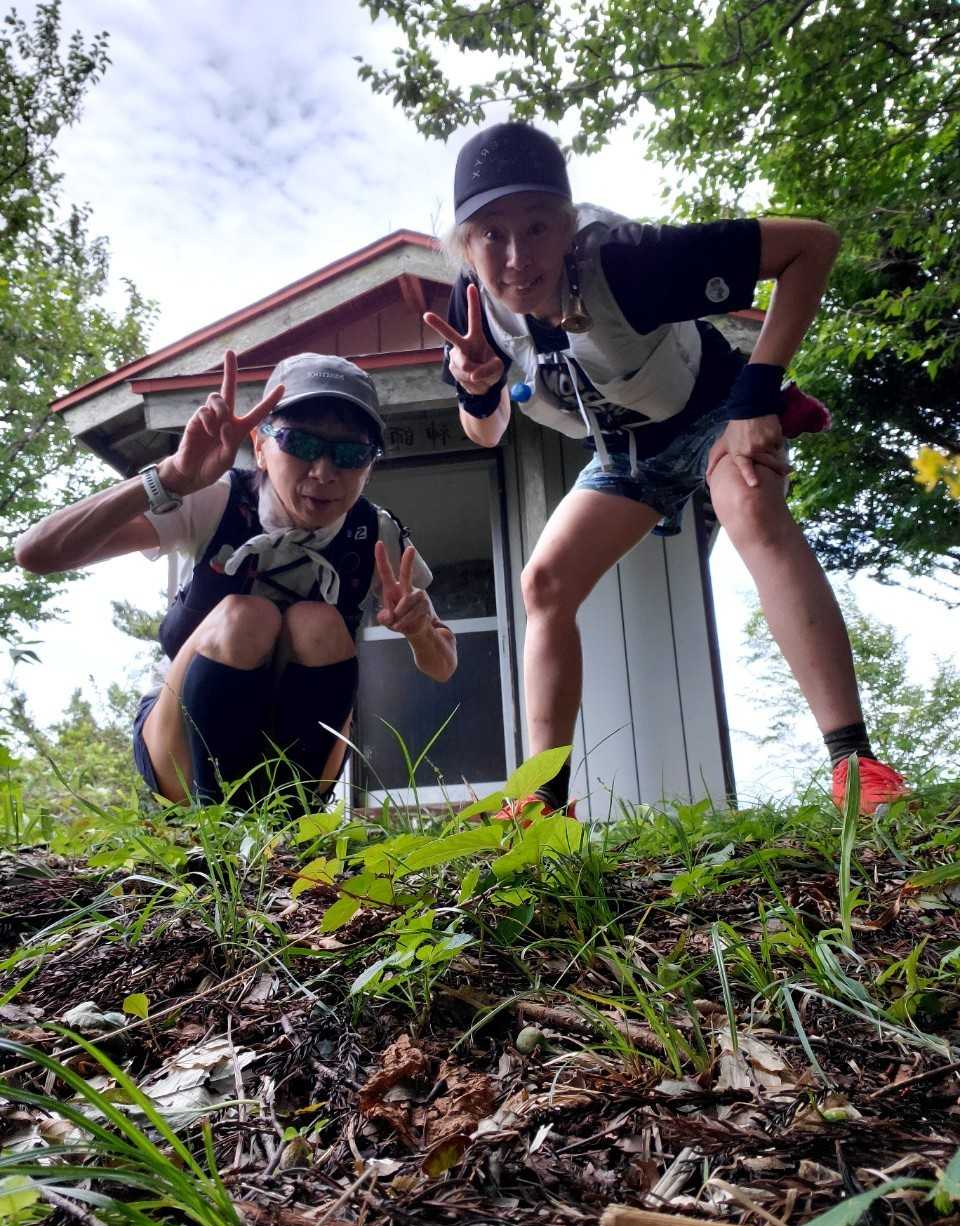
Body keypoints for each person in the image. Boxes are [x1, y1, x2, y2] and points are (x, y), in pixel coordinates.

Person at [424, 120, 905, 817]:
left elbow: (813, 245)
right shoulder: (474, 308)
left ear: (567, 226)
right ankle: (543, 801)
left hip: (713, 414)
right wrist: (476, 389)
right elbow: (487, 430)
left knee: (750, 505)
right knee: (543, 583)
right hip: (624, 455)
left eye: (537, 228)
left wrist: (757, 395)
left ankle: (856, 763)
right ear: (466, 244)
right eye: (492, 234)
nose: (517, 257)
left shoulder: (628, 260)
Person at [15, 351, 457, 806]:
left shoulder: (374, 533)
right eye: (301, 444)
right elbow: (36, 553)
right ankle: (218, 825)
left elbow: (442, 665)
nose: (324, 472)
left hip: (301, 758)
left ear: (369, 467)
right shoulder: (214, 499)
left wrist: (420, 631)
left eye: (350, 454)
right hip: (181, 750)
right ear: (260, 447)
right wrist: (169, 478)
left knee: (319, 623)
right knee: (245, 616)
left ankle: (290, 821)